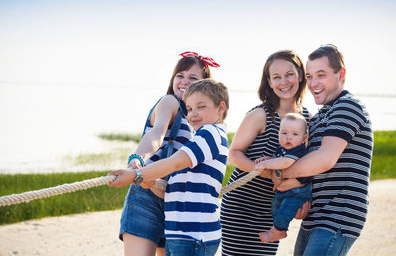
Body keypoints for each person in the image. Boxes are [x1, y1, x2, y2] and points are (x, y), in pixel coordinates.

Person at [109, 79, 230, 256]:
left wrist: (136, 175)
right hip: (180, 234)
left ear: (220, 108)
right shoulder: (199, 139)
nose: (193, 114)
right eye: (189, 109)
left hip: (195, 235)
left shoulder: (211, 133)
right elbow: (179, 185)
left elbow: (175, 162)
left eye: (201, 106)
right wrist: (151, 182)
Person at [279, 44, 373, 256]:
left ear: (341, 74)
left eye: (321, 75)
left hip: (339, 215)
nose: (313, 83)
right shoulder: (320, 117)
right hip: (316, 217)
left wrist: (280, 173)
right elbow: (311, 170)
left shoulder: (348, 106)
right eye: (309, 76)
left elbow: (324, 160)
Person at [220, 50, 310, 256]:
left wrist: (301, 201)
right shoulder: (260, 115)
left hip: (273, 211)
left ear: (300, 76)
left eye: (289, 74)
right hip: (241, 207)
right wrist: (263, 170)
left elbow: (305, 166)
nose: (283, 81)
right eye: (276, 77)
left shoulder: (307, 119)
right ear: (269, 82)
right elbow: (234, 153)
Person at [255, 113, 311, 243]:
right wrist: (268, 159)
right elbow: (277, 160)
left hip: (298, 193)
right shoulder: (282, 148)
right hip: (284, 192)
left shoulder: (299, 150)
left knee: (285, 211)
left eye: (294, 134)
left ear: (304, 138)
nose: (288, 137)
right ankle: (279, 227)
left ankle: (279, 231)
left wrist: (266, 164)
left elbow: (285, 163)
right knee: (275, 209)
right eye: (284, 133)